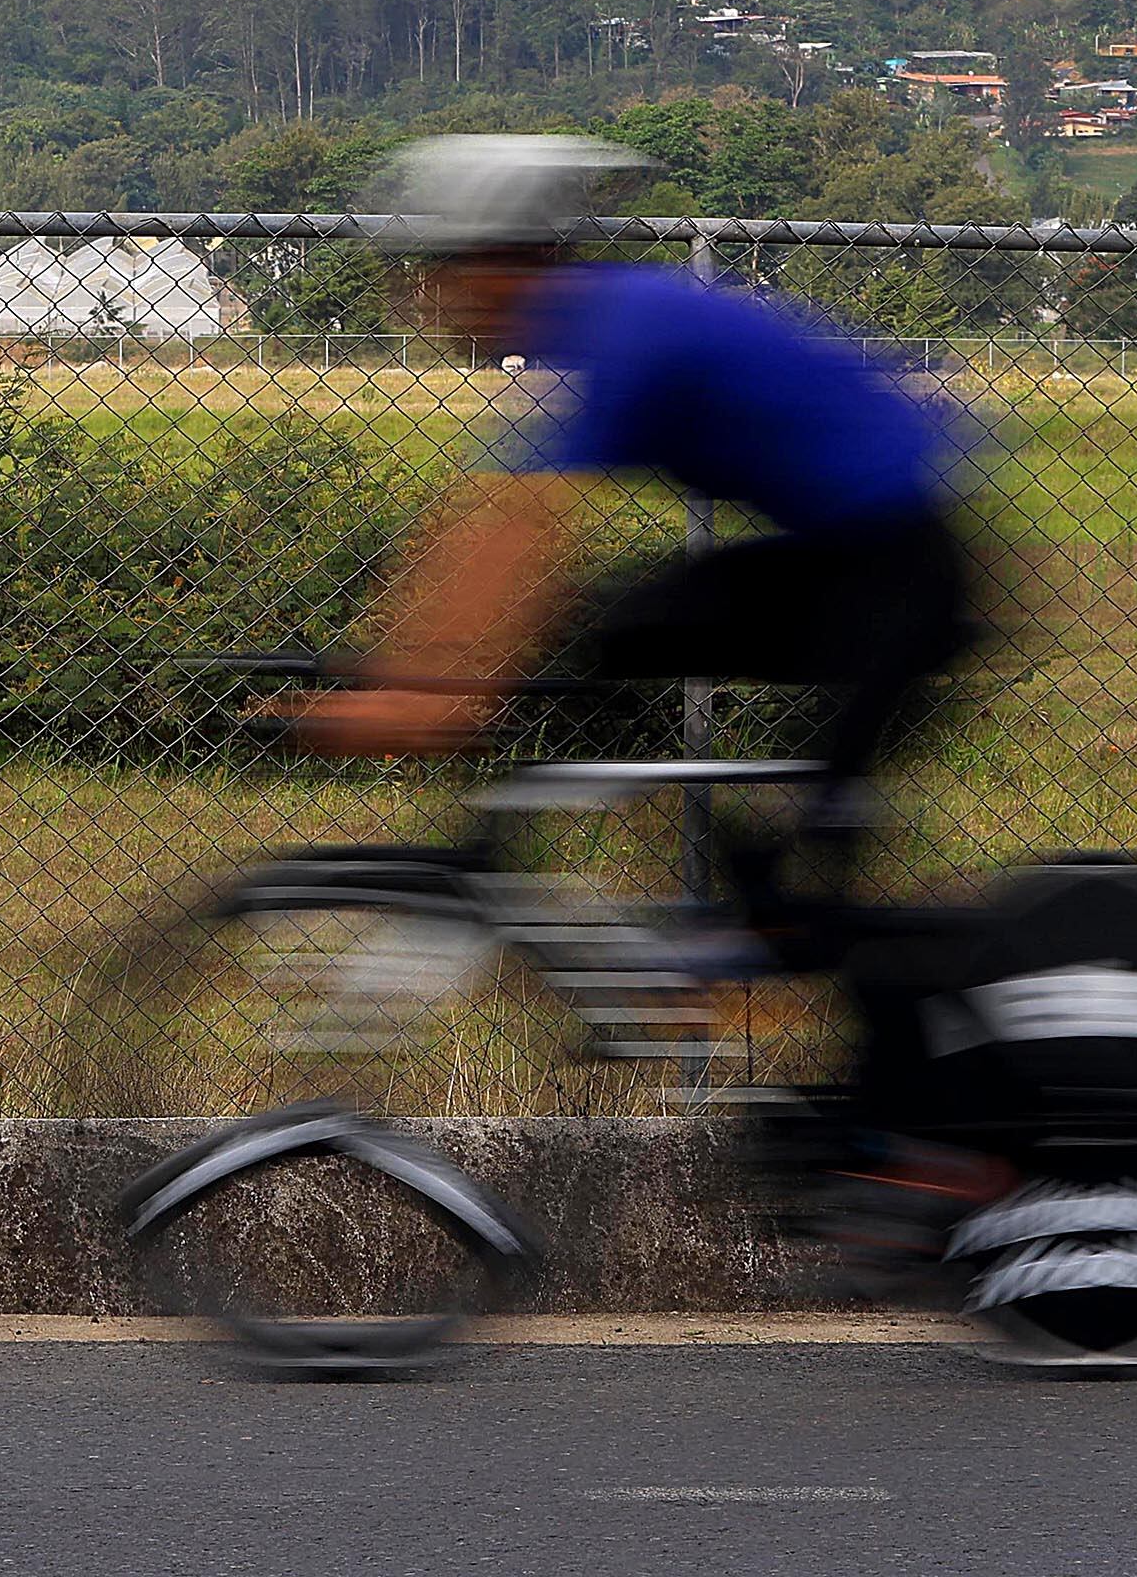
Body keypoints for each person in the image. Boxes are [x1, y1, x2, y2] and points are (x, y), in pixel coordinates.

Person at [280, 133, 982, 972]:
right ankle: (733, 914)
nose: (426, 301)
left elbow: (520, 526)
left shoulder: (625, 333)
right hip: (841, 552)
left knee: (816, 900)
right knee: (622, 632)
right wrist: (410, 677)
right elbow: (478, 527)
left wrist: (432, 696)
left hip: (904, 567)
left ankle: (794, 947)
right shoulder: (597, 326)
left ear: (513, 262)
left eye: (440, 275)